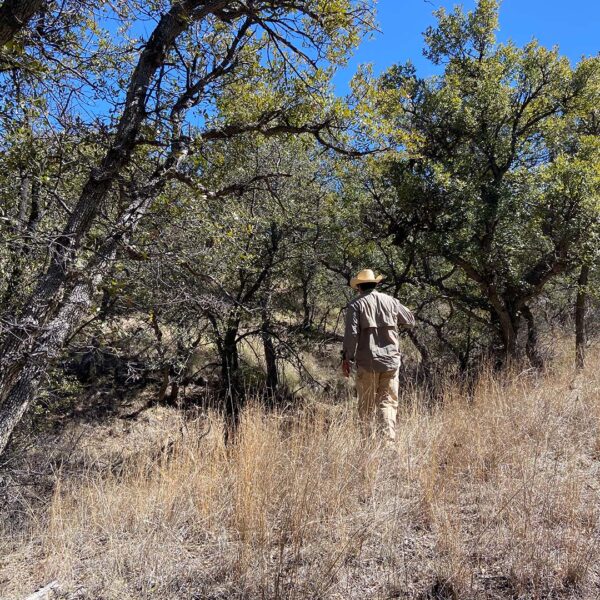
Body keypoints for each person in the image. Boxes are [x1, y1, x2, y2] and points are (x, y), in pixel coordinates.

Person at [342, 269, 415, 443]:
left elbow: (351, 335)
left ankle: (368, 445)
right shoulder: (391, 301)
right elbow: (410, 320)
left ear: (358, 287)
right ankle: (388, 445)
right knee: (387, 404)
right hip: (391, 362)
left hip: (367, 363)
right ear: (376, 284)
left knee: (366, 406)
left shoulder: (355, 305)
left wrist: (346, 359)